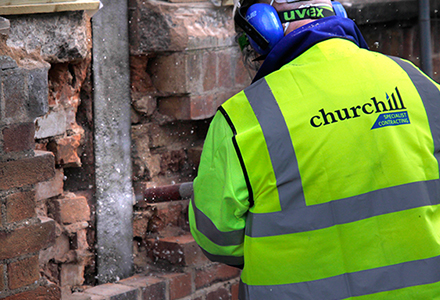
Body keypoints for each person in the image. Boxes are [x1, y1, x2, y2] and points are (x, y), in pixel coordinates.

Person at [189, 0, 440, 298]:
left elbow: (215, 237)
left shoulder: (242, 118)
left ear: (263, 25)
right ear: (336, 11)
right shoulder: (417, 83)